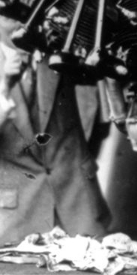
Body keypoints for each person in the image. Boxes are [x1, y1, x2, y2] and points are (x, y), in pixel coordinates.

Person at [0, 15, 111, 244]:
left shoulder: (59, 48)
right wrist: (4, 86)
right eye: (11, 16)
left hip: (78, 204)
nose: (23, 22)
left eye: (27, 11)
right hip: (17, 215)